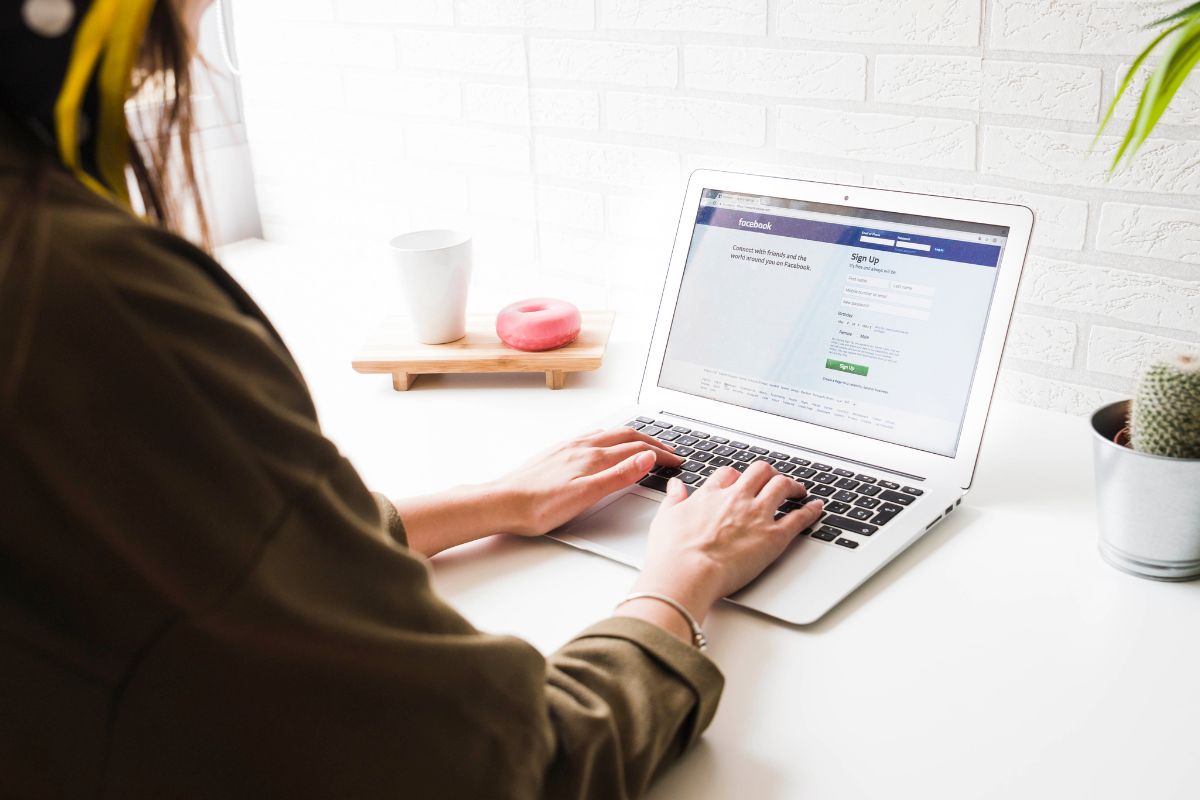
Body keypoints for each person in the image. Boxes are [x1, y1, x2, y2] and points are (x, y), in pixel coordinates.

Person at [0, 1, 825, 797]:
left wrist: (491, 501)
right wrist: (681, 582)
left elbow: (186, 544)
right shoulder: (83, 296)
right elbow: (509, 771)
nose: (201, 12)